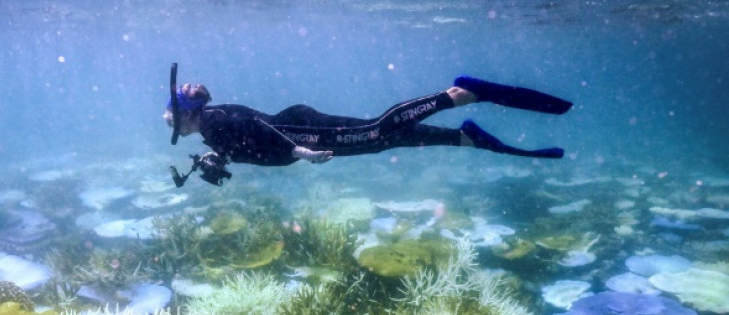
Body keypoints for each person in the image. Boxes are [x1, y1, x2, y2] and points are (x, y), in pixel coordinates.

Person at [164, 73, 572, 187]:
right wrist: (215, 158)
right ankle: (463, 137)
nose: (167, 120)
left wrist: (298, 151)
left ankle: (457, 95)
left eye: (170, 113)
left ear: (187, 113)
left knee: (378, 130)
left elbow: (256, 127)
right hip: (302, 135)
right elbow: (246, 143)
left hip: (305, 133)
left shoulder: (214, 121)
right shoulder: (211, 129)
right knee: (380, 142)